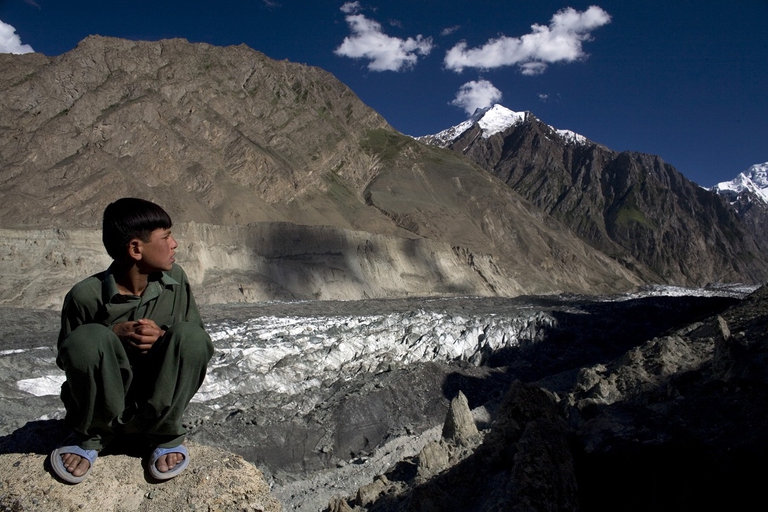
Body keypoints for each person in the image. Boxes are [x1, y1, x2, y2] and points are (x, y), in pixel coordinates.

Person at [51, 197, 214, 484]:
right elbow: (68, 357)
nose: (175, 244)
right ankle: (93, 436)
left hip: (155, 410)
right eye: (166, 237)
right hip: (98, 411)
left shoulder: (175, 281)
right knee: (87, 339)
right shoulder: (85, 296)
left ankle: (164, 434)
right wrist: (111, 334)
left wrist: (162, 337)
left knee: (190, 337)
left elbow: (198, 343)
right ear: (136, 248)